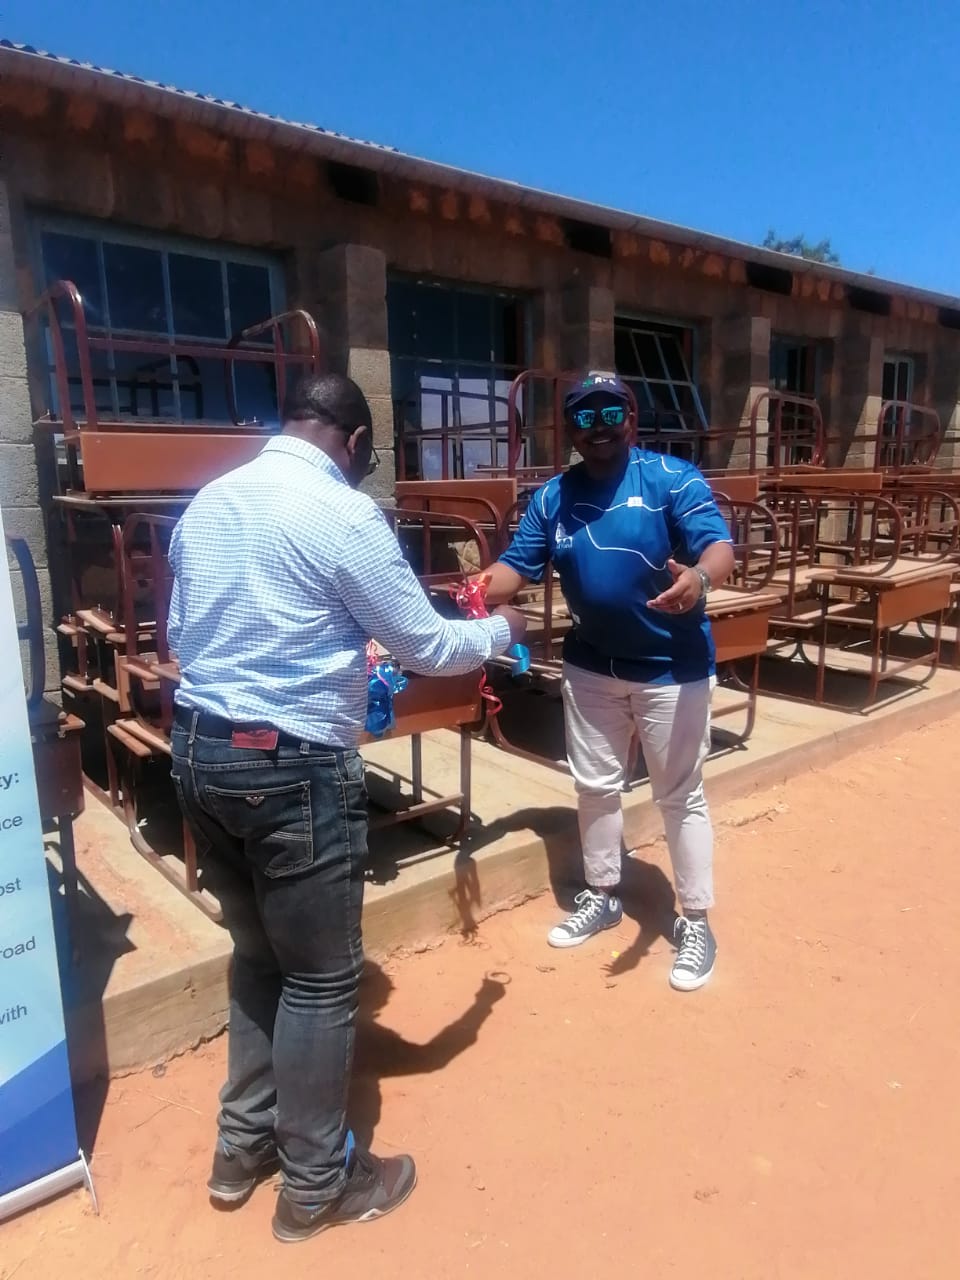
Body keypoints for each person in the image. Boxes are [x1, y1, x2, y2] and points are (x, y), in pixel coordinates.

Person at [167, 373, 525, 1243]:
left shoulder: (209, 503)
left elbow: (181, 634)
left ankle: (241, 1148)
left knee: (259, 958)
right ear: (357, 442)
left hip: (201, 754)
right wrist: (501, 634)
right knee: (323, 981)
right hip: (290, 768)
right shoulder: (343, 513)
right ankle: (317, 1184)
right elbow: (426, 643)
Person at [482, 371, 734, 991]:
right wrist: (466, 593)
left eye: (611, 414)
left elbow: (720, 550)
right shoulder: (553, 497)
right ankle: (602, 894)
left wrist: (700, 579)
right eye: (584, 417)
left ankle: (696, 920)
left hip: (672, 669)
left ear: (632, 419)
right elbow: (515, 567)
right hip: (591, 666)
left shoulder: (671, 478)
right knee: (595, 787)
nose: (598, 428)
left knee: (679, 795)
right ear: (570, 429)